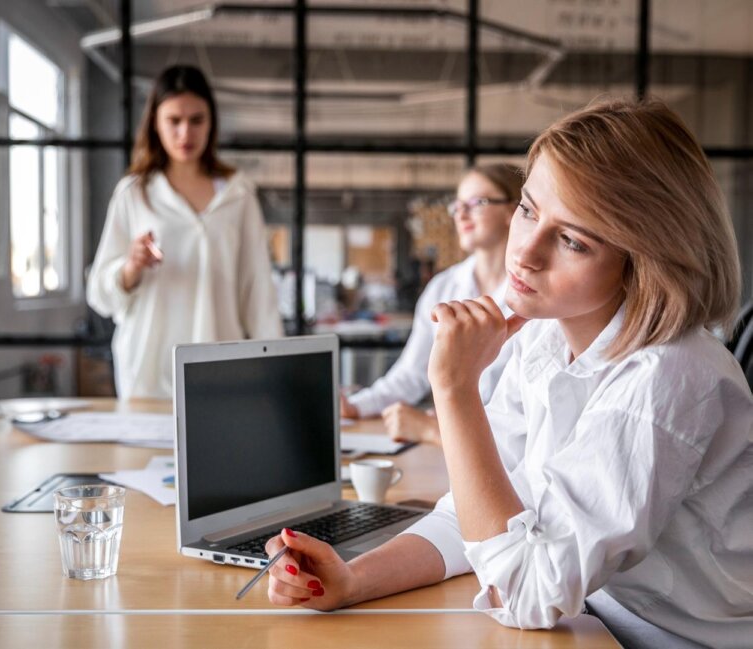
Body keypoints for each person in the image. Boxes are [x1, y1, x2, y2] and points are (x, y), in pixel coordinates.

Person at [264, 99, 753, 649]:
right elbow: (471, 519)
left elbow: (524, 591)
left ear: (646, 261)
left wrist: (455, 392)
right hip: (597, 624)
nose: (524, 254)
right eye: (527, 209)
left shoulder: (667, 377)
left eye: (572, 240)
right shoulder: (546, 334)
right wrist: (353, 580)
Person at [86, 65, 282, 399]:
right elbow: (100, 295)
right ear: (155, 123)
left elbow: (258, 292)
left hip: (222, 370)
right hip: (148, 372)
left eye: (196, 120)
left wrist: (276, 371)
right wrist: (130, 268)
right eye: (173, 121)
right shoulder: (135, 193)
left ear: (212, 122)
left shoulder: (238, 195)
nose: (185, 133)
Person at [341, 163, 522, 443]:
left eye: (477, 202)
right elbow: (412, 374)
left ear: (513, 211)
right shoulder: (444, 287)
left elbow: (523, 418)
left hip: (506, 457)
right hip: (452, 449)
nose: (460, 213)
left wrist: (433, 430)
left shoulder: (535, 295)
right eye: (457, 205)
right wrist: (356, 405)